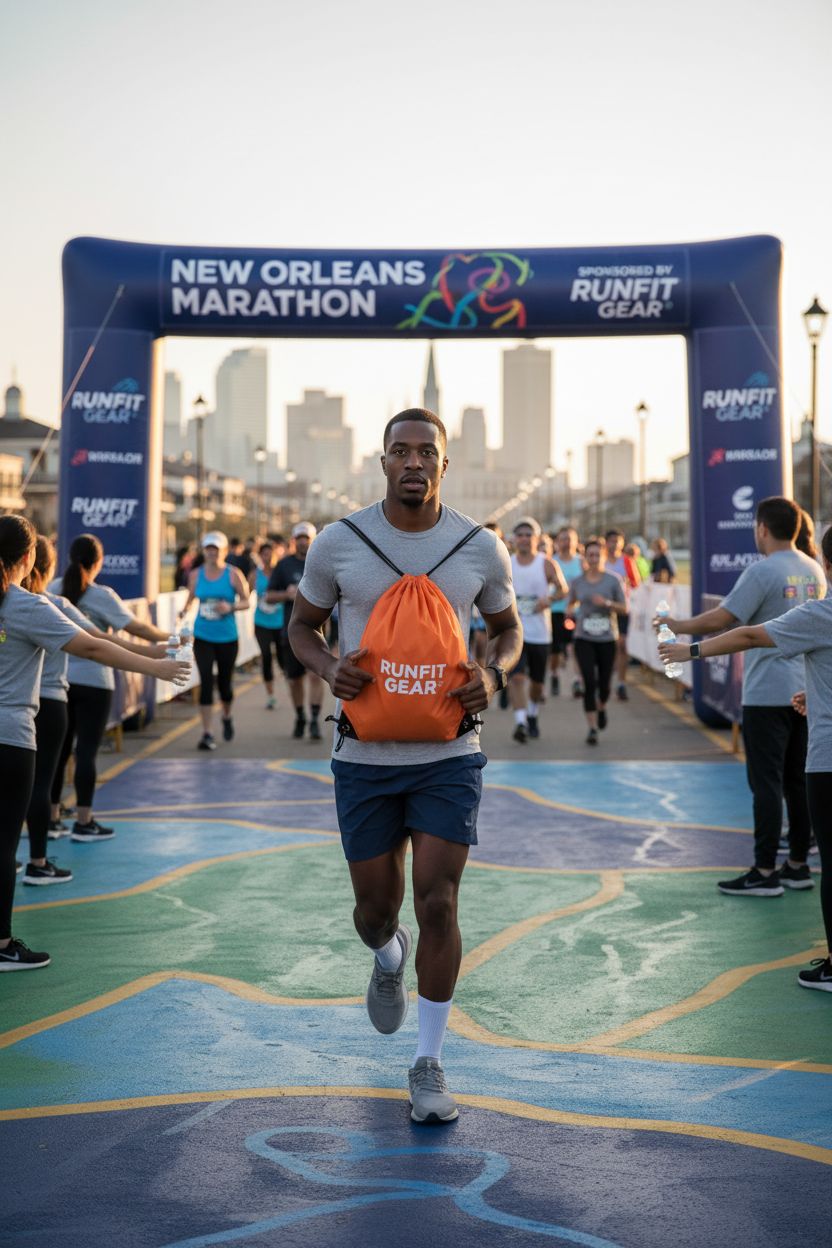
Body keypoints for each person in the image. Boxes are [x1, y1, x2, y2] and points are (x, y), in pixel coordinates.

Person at [287, 408, 521, 1123]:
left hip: (449, 754)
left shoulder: (480, 547)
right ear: (383, 461)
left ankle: (428, 1063)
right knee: (375, 911)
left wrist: (495, 674)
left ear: (445, 465)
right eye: (400, 451)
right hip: (364, 756)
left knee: (439, 900)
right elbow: (301, 626)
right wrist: (328, 666)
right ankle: (389, 955)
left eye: (426, 452)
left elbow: (508, 629)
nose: (413, 462)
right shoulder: (339, 542)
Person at [0, 516, 187, 970]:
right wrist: (157, 667)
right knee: (4, 845)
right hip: (10, 738)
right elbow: (93, 646)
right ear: (28, 557)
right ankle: (2, 944)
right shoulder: (25, 605)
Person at [659, 524, 832, 990]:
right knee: (791, 784)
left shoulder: (814, 606)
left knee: (769, 783)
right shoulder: (811, 573)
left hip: (809, 737)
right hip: (803, 704)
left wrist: (687, 648)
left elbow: (747, 633)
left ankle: (766, 871)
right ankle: (796, 863)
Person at [24, 537, 171, 883]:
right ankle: (80, 824)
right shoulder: (56, 601)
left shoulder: (38, 598)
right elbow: (100, 642)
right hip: (78, 686)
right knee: (81, 754)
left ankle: (51, 822)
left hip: (43, 694)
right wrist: (158, 652)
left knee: (47, 767)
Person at [180, 531, 250, 750]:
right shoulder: (195, 574)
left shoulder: (233, 574)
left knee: (225, 685)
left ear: (224, 551)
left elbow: (247, 601)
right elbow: (190, 598)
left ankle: (226, 716)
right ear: (204, 551)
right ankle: (207, 732)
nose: (212, 553)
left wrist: (230, 606)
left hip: (227, 637)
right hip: (203, 636)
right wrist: (184, 611)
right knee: (206, 683)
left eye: (216, 549)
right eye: (208, 549)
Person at [509, 518, 567, 742]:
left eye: (528, 535)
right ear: (514, 539)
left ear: (536, 538)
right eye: (520, 535)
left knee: (536, 683)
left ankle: (532, 714)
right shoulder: (507, 563)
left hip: (540, 633)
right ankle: (520, 722)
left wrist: (548, 600)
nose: (524, 539)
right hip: (515, 632)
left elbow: (563, 589)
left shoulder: (546, 564)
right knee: (516, 678)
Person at [267, 522, 325, 741]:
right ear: (294, 540)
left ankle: (315, 720)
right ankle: (300, 715)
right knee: (294, 680)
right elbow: (269, 596)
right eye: (299, 538)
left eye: (306, 538)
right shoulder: (284, 565)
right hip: (290, 632)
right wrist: (287, 594)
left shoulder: (321, 563)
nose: (303, 542)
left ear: (312, 540)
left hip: (318, 631)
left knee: (315, 676)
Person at [569, 537, 627, 745]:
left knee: (604, 685)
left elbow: (625, 608)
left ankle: (602, 706)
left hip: (606, 638)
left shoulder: (613, 580)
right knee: (589, 682)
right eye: (590, 555)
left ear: (603, 557)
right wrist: (569, 612)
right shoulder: (578, 581)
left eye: (597, 555)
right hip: (584, 637)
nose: (593, 559)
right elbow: (571, 602)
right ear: (585, 557)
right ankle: (592, 728)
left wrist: (607, 603)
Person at [605, 529, 640, 700]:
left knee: (622, 645)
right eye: (611, 541)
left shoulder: (626, 561)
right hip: (604, 610)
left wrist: (626, 584)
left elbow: (636, 583)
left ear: (622, 543)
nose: (614, 544)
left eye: (617, 541)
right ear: (606, 543)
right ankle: (603, 681)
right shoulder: (602, 560)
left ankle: (621, 683)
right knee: (607, 646)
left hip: (622, 608)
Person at [250, 539, 284, 710]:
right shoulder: (254, 575)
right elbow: (244, 593)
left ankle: (290, 684)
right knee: (266, 656)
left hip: (280, 622)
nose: (268, 557)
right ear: (260, 556)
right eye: (264, 554)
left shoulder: (281, 573)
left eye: (270, 554)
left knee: (282, 657)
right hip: (261, 622)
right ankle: (270, 695)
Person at [550, 526, 584, 698]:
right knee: (555, 650)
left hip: (577, 612)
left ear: (576, 541)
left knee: (577, 647)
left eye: (570, 539)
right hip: (556, 610)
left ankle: (577, 680)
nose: (567, 542)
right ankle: (554, 674)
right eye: (563, 539)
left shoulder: (581, 562)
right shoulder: (551, 562)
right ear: (557, 542)